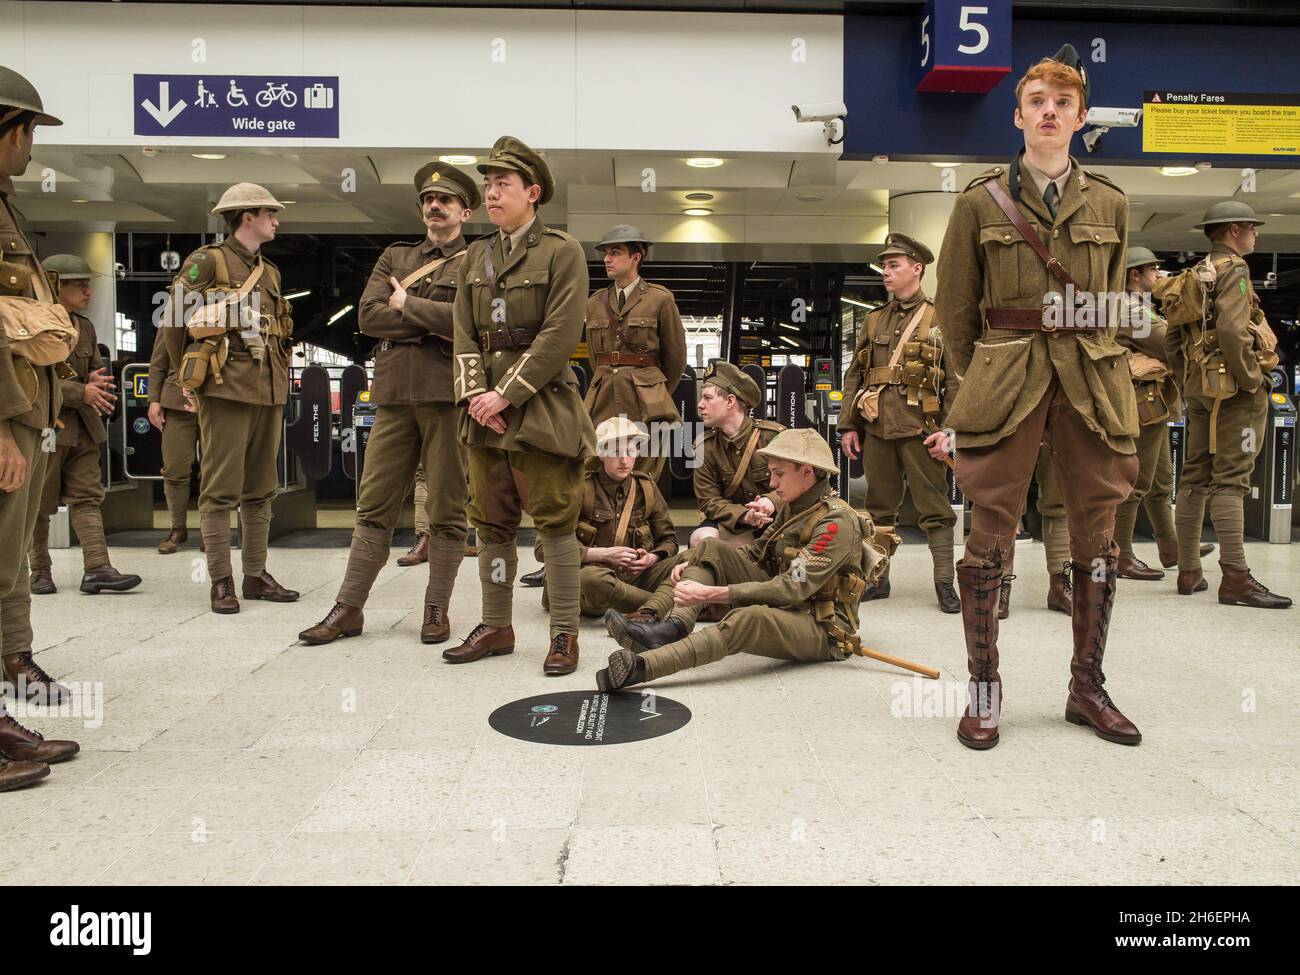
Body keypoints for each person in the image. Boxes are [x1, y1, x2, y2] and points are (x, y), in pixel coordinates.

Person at [929, 45, 1142, 749]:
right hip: (1007, 377)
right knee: (987, 535)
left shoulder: (1109, 201)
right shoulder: (977, 201)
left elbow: (1110, 302)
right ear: (1018, 115)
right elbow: (956, 311)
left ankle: (1088, 685)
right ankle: (984, 689)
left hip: (1089, 378)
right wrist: (985, 374)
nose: (1049, 113)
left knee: (1099, 537)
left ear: (1080, 118)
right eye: (1037, 104)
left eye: (1062, 104)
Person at [300, 163, 479, 645]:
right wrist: (433, 320)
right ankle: (349, 608)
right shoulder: (395, 256)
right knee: (373, 504)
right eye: (428, 200)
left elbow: (473, 323)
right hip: (396, 395)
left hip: (448, 396)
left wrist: (407, 306)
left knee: (446, 509)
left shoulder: (479, 262)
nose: (434, 207)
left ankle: (436, 608)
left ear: (465, 210)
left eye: (445, 201)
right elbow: (369, 317)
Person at [444, 136, 595, 676]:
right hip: (484, 414)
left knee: (555, 522)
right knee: (492, 524)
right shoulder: (475, 256)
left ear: (533, 192)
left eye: (502, 184)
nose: (491, 192)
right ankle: (496, 625)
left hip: (542, 407)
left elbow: (560, 333)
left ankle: (563, 635)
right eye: (487, 185)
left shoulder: (563, 250)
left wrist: (503, 393)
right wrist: (474, 396)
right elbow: (463, 329)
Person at [596, 428, 872, 692]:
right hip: (791, 603)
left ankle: (644, 667)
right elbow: (757, 553)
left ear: (808, 472)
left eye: (778, 474)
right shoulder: (796, 506)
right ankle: (672, 627)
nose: (772, 484)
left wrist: (714, 593)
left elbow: (792, 586)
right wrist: (695, 560)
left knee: (748, 619)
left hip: (822, 626)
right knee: (711, 547)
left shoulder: (834, 522)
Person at [162, 183, 299, 614]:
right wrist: (185, 373)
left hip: (269, 386)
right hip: (225, 386)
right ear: (246, 217)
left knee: (261, 488)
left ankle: (255, 575)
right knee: (220, 489)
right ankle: (221, 580)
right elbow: (172, 319)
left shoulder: (270, 271)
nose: (275, 220)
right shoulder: (207, 261)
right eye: (268, 213)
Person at [0, 64, 82, 786]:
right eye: (27, 131)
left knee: (6, 563)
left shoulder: (5, 207)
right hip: (6, 413)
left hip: (25, 409)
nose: (30, 148)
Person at [1170, 202, 1289, 608]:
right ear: (1235, 230)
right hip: (1234, 390)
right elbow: (1234, 329)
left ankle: (1189, 571)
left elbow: (1173, 336)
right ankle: (1236, 577)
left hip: (1200, 388)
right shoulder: (1234, 270)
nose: (1256, 234)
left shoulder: (1195, 273)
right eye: (1252, 228)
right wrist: (1252, 379)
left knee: (1195, 473)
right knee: (1232, 477)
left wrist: (1187, 381)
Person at [838, 233, 958, 613]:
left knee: (936, 509)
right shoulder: (873, 320)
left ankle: (944, 585)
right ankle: (878, 580)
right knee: (877, 509)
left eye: (894, 266)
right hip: (877, 428)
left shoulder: (941, 316)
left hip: (923, 429)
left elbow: (955, 380)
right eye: (884, 266)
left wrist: (950, 430)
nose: (886, 273)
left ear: (916, 268)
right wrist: (848, 425)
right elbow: (855, 374)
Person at [28, 255, 141, 596]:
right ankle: (40, 572)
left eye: (87, 283)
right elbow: (31, 381)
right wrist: (82, 390)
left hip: (84, 429)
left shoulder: (84, 326)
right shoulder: (32, 326)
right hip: (48, 427)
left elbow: (94, 368)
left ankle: (97, 567)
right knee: (38, 503)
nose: (88, 290)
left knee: (87, 498)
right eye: (79, 283)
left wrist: (95, 382)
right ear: (54, 284)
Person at [583, 224, 686, 480]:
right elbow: (594, 357)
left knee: (643, 471)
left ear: (636, 257)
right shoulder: (594, 303)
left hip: (646, 402)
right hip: (603, 396)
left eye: (615, 252)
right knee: (596, 467)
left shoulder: (660, 299)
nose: (607, 258)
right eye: (606, 253)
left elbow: (675, 358)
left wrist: (655, 389)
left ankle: (638, 520)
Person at [565, 416, 678, 618]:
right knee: (592, 579)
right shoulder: (580, 488)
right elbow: (544, 548)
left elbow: (669, 540)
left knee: (690, 560)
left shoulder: (646, 488)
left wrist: (651, 558)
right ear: (601, 453)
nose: (624, 460)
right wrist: (604, 555)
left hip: (634, 578)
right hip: (592, 579)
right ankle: (662, 604)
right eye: (616, 452)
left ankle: (647, 605)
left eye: (630, 451)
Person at [690, 360, 785, 549]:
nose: (700, 405)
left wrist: (772, 501)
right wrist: (744, 515)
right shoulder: (704, 447)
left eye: (707, 398)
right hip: (737, 524)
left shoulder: (773, 437)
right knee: (701, 539)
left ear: (730, 401)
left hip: (780, 521)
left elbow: (803, 484)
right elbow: (709, 501)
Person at [147, 298, 202, 554]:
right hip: (177, 399)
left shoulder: (227, 307)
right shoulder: (175, 312)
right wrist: (154, 400)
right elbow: (159, 360)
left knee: (215, 470)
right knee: (175, 467)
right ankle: (177, 527)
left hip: (216, 400)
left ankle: (211, 532)